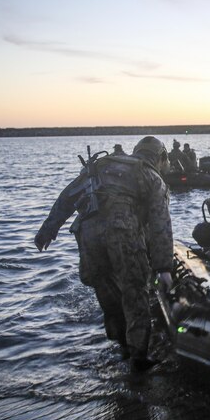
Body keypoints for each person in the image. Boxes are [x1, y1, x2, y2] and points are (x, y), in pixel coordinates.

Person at [34, 136, 174, 373]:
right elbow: (160, 225)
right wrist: (163, 268)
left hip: (87, 234)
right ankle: (139, 357)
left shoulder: (102, 165)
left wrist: (48, 229)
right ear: (160, 158)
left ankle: (122, 347)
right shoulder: (151, 177)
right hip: (123, 232)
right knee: (135, 291)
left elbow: (68, 196)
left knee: (108, 292)